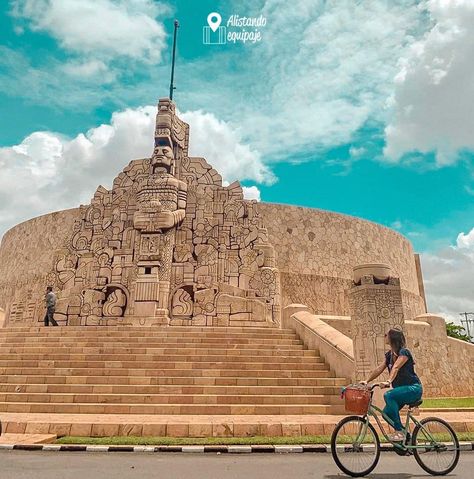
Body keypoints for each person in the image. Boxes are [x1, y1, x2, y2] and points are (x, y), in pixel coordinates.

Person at [360, 329, 422, 441]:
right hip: (402, 391)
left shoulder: (404, 352)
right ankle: (407, 437)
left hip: (413, 389)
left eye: (386, 335)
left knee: (389, 395)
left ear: (392, 337)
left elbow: (396, 367)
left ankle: (399, 432)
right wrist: (367, 380)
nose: (384, 336)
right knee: (386, 414)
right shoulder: (389, 355)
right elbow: (379, 369)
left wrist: (388, 381)